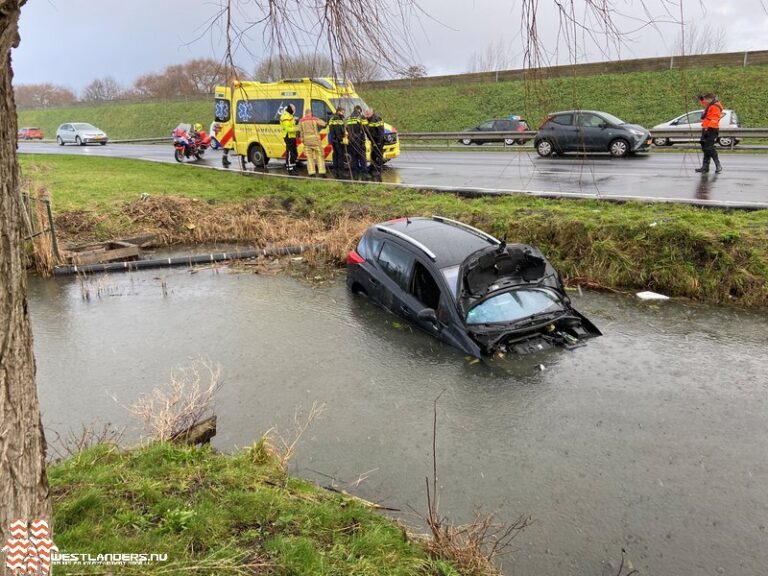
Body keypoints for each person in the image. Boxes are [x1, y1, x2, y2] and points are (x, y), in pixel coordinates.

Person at [695, 93, 723, 174]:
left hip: (711, 129)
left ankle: (718, 165)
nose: (705, 102)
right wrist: (701, 99)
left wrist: (708, 129)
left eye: (706, 99)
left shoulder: (715, 107)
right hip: (706, 128)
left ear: (710, 99)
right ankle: (705, 167)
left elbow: (714, 119)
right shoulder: (710, 105)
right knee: (705, 148)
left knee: (709, 148)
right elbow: (705, 104)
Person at [298, 109, 327, 177]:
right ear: (311, 113)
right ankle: (322, 173)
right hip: (315, 141)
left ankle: (311, 173)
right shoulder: (314, 119)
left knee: (309, 158)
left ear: (305, 114)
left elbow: (299, 130)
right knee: (320, 156)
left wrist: (302, 139)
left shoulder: (301, 121)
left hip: (306, 142)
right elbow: (324, 124)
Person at [346, 105, 367, 178]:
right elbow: (364, 128)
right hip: (359, 139)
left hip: (351, 140)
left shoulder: (348, 118)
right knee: (362, 156)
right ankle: (364, 172)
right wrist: (363, 141)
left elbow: (347, 128)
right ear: (359, 110)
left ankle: (355, 171)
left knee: (354, 156)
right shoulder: (360, 117)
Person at [364, 108, 385, 177]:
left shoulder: (377, 118)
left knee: (378, 154)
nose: (366, 114)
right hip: (372, 140)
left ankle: (379, 169)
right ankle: (372, 166)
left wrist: (379, 142)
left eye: (368, 113)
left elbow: (381, 131)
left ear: (372, 112)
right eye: (366, 113)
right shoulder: (367, 119)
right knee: (373, 154)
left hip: (378, 140)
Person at [328, 106, 347, 177]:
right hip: (338, 140)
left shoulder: (332, 117)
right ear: (339, 111)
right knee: (340, 156)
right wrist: (341, 139)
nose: (343, 113)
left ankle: (336, 172)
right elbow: (338, 130)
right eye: (343, 112)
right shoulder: (337, 118)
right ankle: (340, 172)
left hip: (334, 140)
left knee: (335, 156)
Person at [280, 103, 299, 172]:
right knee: (291, 153)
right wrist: (296, 129)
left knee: (293, 153)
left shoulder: (290, 115)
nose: (294, 110)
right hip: (288, 136)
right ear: (290, 109)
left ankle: (292, 166)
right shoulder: (286, 116)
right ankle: (290, 169)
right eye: (293, 109)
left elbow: (292, 125)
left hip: (292, 136)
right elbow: (287, 128)